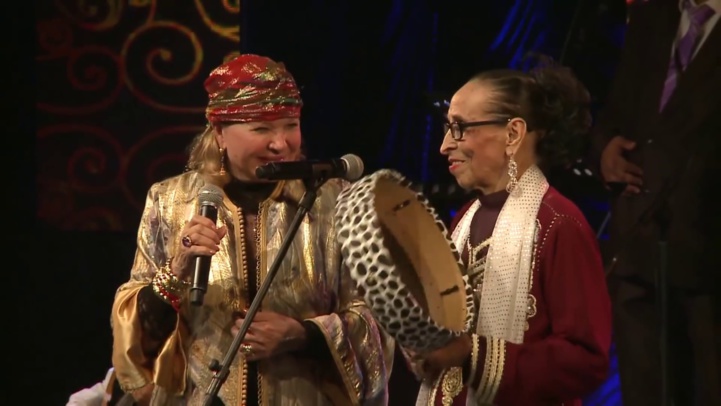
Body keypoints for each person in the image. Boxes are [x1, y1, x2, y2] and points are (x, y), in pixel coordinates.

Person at [110, 54, 393, 406]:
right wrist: (179, 267)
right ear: (219, 133)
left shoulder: (335, 200)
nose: (281, 143)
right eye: (262, 129)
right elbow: (138, 331)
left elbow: (379, 317)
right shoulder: (168, 200)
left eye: (290, 124)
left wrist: (304, 334)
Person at [406, 59, 612, 405]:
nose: (444, 145)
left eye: (459, 128)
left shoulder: (559, 225)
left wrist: (473, 354)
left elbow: (585, 359)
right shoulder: (465, 220)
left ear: (513, 134)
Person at [588, 0, 721, 404]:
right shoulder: (654, 15)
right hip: (637, 246)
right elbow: (617, 110)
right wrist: (604, 150)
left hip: (709, 256)